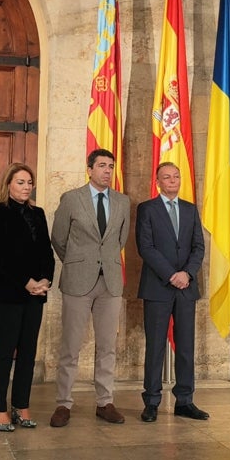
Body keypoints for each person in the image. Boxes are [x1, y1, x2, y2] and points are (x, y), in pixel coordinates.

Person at [48, 148, 131, 427]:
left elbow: (119, 241)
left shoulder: (122, 202)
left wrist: (103, 261)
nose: (107, 171)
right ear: (90, 169)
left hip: (110, 282)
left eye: (110, 166)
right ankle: (63, 404)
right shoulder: (72, 199)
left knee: (107, 346)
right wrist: (78, 262)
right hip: (77, 281)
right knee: (71, 347)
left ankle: (105, 402)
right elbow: (58, 239)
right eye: (102, 166)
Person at [0, 163, 54, 432]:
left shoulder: (38, 213)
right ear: (8, 184)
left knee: (28, 352)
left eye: (29, 183)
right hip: (8, 293)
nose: (26, 187)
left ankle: (21, 405)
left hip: (37, 294)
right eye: (20, 182)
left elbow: (46, 252)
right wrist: (26, 282)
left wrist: (46, 280)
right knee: (4, 350)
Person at [135, 162, 208, 423]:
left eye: (176, 176)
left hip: (186, 288)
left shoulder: (189, 209)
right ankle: (152, 401)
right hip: (158, 287)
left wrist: (186, 274)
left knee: (186, 346)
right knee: (155, 346)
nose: (172, 180)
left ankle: (185, 400)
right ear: (158, 182)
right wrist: (171, 275)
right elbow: (146, 247)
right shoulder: (147, 209)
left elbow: (198, 246)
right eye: (167, 177)